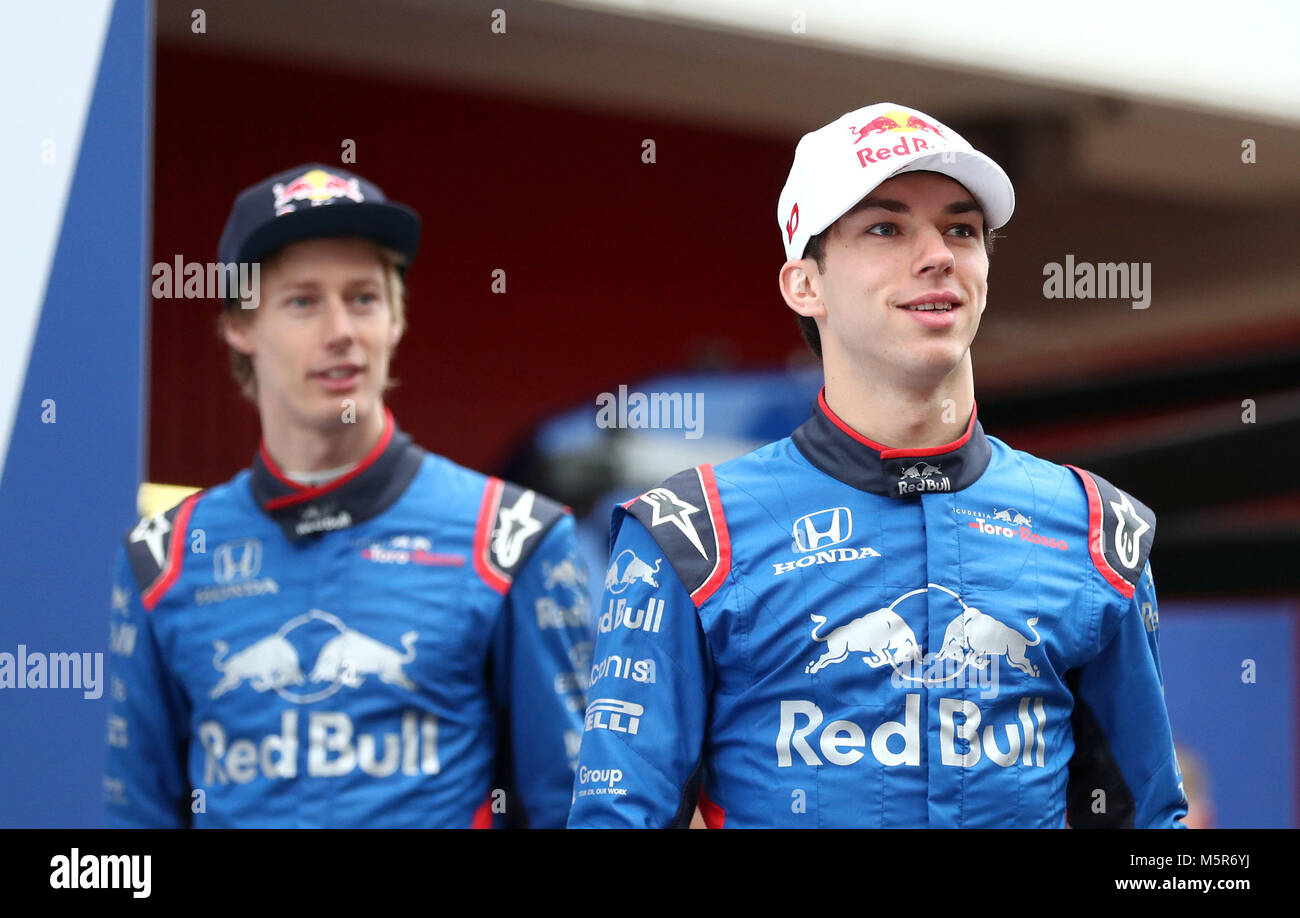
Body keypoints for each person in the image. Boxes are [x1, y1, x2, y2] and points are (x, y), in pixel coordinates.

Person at [568, 104, 1187, 828]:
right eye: (886, 228)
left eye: (961, 229)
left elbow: (1149, 829)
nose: (938, 255)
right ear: (806, 284)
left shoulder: (1095, 530)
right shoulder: (690, 536)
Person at [106, 164, 590, 827]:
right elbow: (128, 829)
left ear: (396, 320)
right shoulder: (161, 561)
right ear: (240, 327)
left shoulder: (513, 539)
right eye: (303, 301)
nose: (342, 331)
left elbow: (573, 808)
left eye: (363, 298)